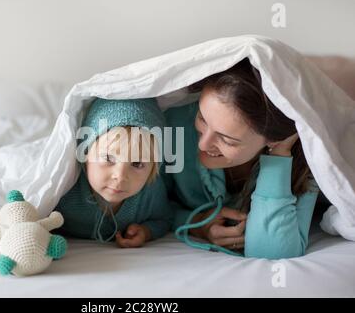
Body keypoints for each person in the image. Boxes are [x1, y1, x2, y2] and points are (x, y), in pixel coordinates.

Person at [163, 58, 319, 259]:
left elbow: (271, 251)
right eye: (202, 118)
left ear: (273, 139)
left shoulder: (305, 163)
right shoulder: (174, 126)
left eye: (227, 139)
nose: (203, 145)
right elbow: (150, 205)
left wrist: (279, 155)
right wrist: (197, 224)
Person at [55, 98, 173, 248]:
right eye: (108, 158)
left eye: (137, 164)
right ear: (85, 153)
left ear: (153, 169)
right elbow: (36, 212)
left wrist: (145, 231)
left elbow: (164, 219)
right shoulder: (66, 190)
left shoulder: (150, 194)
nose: (120, 175)